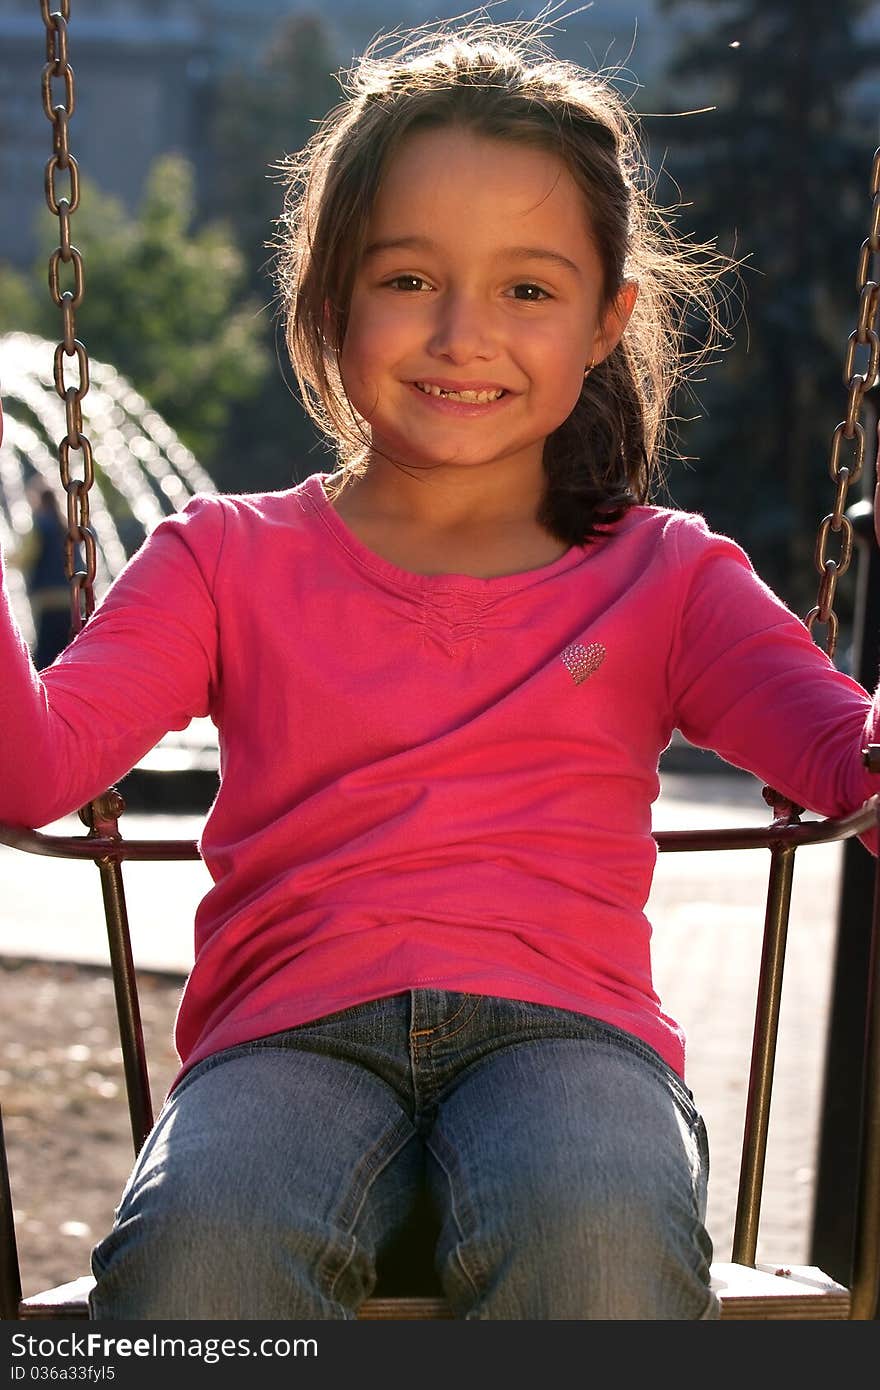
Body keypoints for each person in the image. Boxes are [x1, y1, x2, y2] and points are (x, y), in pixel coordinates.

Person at [0, 16, 879, 1321]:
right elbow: (31, 770)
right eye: (410, 278)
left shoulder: (672, 579)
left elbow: (847, 764)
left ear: (604, 320)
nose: (465, 333)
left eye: (528, 288)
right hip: (285, 1038)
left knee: (599, 1240)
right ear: (329, 293)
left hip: (569, 1036)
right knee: (194, 1266)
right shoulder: (221, 560)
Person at [6, 481, 75, 669]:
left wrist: (5, 559)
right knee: (67, 649)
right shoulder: (68, 527)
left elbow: (25, 557)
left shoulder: (40, 525)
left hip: (47, 599)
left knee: (46, 655)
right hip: (72, 599)